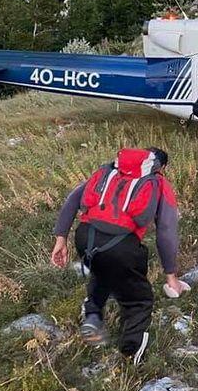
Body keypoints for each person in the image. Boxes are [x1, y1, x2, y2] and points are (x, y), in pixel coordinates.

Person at [50, 147, 188, 365]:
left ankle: (93, 315)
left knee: (103, 269)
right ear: (162, 167)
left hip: (85, 238)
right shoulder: (158, 182)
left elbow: (72, 200)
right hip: (121, 246)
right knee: (139, 300)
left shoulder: (111, 171)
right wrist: (171, 276)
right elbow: (166, 231)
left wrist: (61, 239)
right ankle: (130, 353)